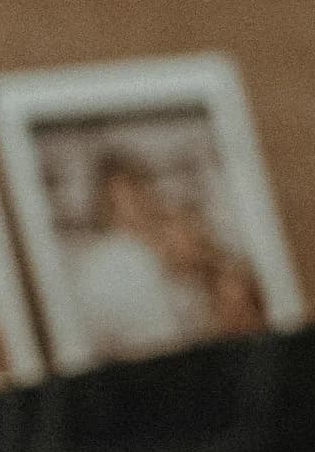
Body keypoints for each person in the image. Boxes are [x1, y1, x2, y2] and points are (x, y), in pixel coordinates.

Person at [66, 148, 265, 362]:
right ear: (106, 206)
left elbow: (211, 260)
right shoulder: (110, 260)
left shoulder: (170, 233)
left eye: (140, 190)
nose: (139, 203)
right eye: (123, 198)